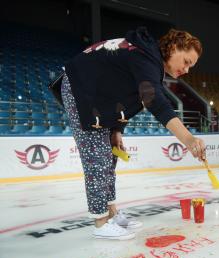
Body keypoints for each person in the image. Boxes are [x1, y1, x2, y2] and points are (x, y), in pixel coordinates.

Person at [60, 27, 206, 240]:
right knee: (97, 161)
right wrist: (189, 139)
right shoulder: (146, 58)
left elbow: (127, 97)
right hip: (80, 90)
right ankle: (101, 224)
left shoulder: (149, 61)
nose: (187, 70)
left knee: (109, 158)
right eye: (186, 62)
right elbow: (154, 101)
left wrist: (117, 130)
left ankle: (111, 213)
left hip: (98, 97)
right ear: (174, 48)